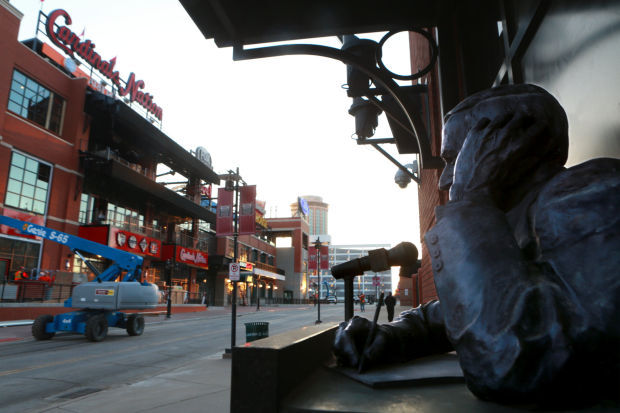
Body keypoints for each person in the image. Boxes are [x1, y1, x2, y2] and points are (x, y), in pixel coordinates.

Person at [333, 84, 620, 404]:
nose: (444, 180)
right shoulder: (520, 221)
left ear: (510, 147)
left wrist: (470, 201)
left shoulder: (587, 193)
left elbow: (507, 361)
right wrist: (393, 335)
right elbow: (448, 314)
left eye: (456, 158)